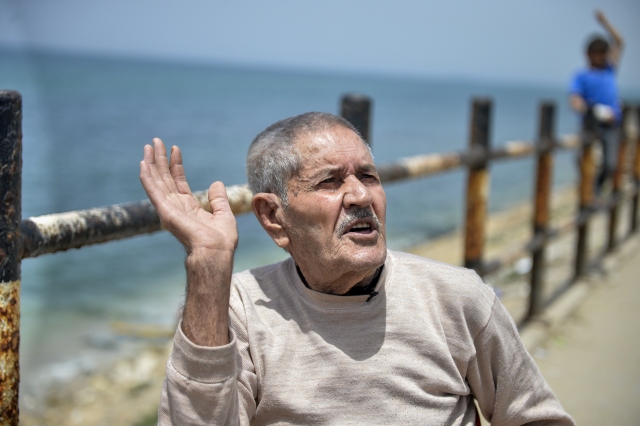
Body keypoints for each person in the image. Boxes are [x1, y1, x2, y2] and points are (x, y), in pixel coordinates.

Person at [140, 112, 574, 425]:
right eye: (329, 182)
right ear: (273, 217)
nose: (361, 196)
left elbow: (536, 419)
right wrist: (208, 263)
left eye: (368, 176)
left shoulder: (457, 297)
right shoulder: (236, 309)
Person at [569, 10, 625, 194]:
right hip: (590, 123)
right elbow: (574, 100)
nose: (599, 57)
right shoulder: (581, 76)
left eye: (602, 53)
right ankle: (588, 194)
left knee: (610, 164)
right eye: (596, 54)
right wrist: (592, 110)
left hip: (611, 124)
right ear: (588, 54)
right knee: (583, 160)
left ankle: (596, 192)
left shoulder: (610, 69)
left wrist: (605, 22)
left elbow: (619, 41)